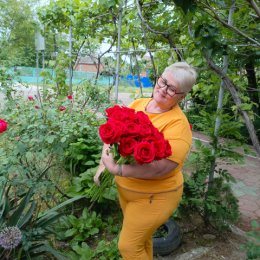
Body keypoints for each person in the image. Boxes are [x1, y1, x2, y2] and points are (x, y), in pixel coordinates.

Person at [94, 62, 197, 260]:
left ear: (182, 96)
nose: (163, 89)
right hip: (128, 193)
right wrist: (103, 166)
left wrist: (118, 170)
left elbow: (162, 168)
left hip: (155, 197)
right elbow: (112, 135)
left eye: (172, 88)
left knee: (129, 247)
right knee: (142, 241)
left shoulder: (178, 126)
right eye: (163, 81)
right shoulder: (138, 104)